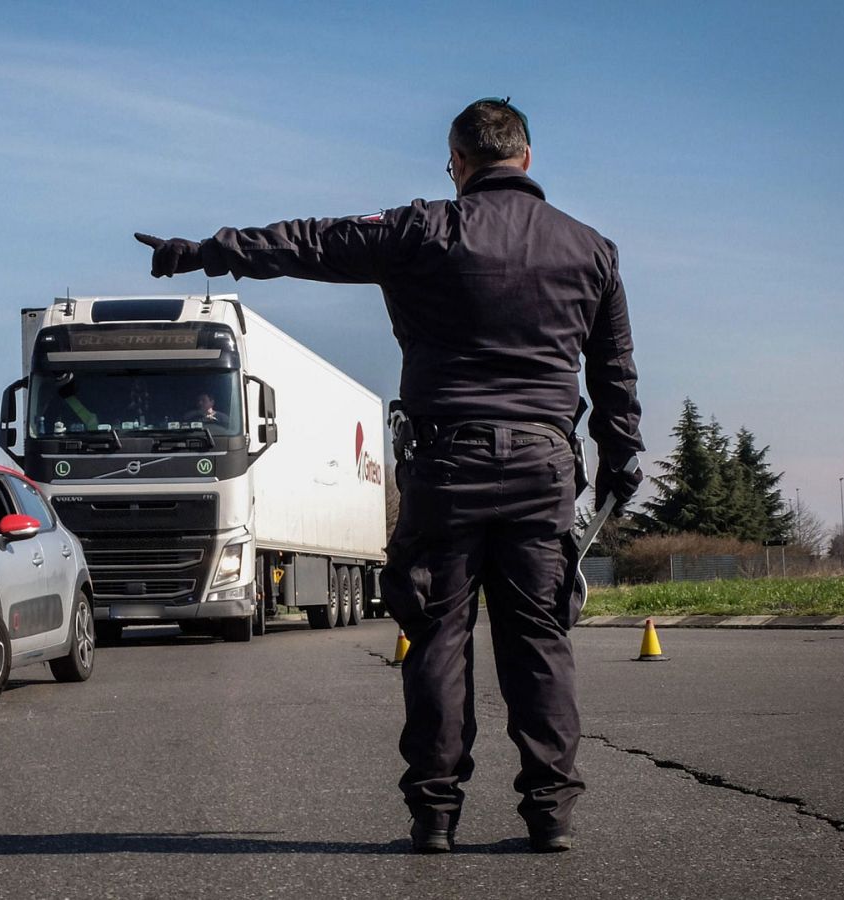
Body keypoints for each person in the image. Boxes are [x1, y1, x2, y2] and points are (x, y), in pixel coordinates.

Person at [134, 98, 644, 854]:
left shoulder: (421, 230)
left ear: (457, 162)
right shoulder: (591, 249)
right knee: (540, 641)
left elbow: (310, 243)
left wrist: (206, 250)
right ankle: (550, 813)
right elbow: (614, 370)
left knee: (438, 637)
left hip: (447, 463)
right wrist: (619, 458)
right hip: (543, 467)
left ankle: (435, 815)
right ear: (528, 161)